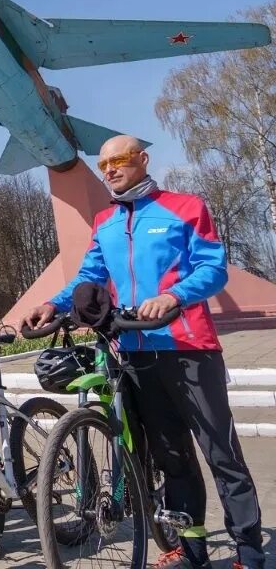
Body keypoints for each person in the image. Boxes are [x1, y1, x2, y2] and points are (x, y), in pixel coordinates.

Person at [22, 135, 264, 569]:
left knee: (222, 456)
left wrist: (174, 297)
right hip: (135, 353)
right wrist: (52, 304)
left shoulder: (186, 207)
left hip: (189, 349)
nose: (111, 169)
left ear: (143, 160)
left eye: (120, 159)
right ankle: (191, 552)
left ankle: (249, 552)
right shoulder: (106, 222)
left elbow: (212, 268)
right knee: (173, 460)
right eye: (104, 164)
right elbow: (90, 276)